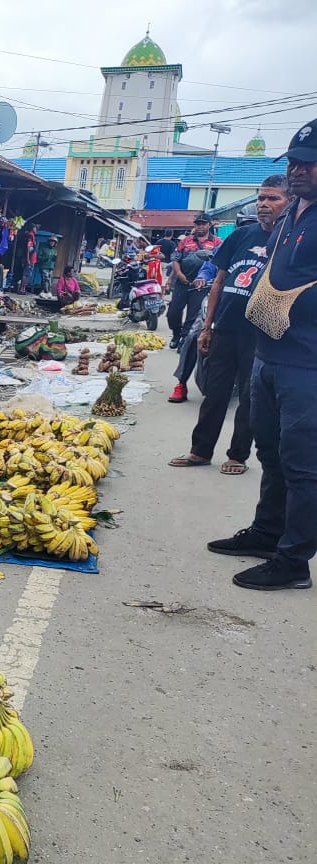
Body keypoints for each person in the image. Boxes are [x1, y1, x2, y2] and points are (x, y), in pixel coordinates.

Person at [209, 120, 317, 591]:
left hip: (309, 363)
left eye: (307, 163)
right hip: (270, 355)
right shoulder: (293, 213)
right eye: (293, 162)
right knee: (270, 452)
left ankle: (293, 561)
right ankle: (267, 534)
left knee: (303, 465)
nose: (296, 171)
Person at [169, 176, 291, 469]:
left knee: (250, 399)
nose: (264, 204)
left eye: (273, 198)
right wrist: (207, 326)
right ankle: (200, 451)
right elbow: (219, 281)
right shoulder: (240, 236)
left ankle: (237, 456)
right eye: (261, 198)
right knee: (215, 392)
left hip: (260, 333)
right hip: (224, 326)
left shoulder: (291, 240)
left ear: (290, 202)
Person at [168, 214, 223, 348]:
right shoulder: (185, 241)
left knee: (192, 316)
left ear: (209, 225)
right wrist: (179, 274)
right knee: (173, 312)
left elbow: (220, 263)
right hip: (182, 282)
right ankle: (176, 334)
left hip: (201, 286)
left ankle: (184, 340)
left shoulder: (217, 243)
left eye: (203, 224)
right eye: (198, 224)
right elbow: (175, 258)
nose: (200, 226)